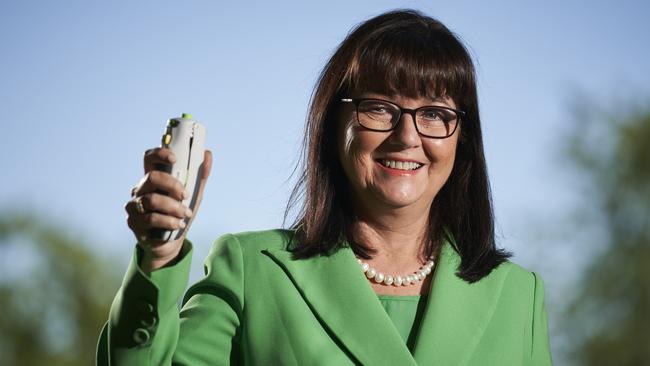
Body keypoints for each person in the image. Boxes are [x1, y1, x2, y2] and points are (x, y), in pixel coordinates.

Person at [97, 9, 552, 365]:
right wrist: (158, 262)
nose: (408, 137)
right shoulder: (253, 271)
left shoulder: (518, 296)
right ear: (334, 126)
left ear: (462, 139)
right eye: (379, 107)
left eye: (435, 113)